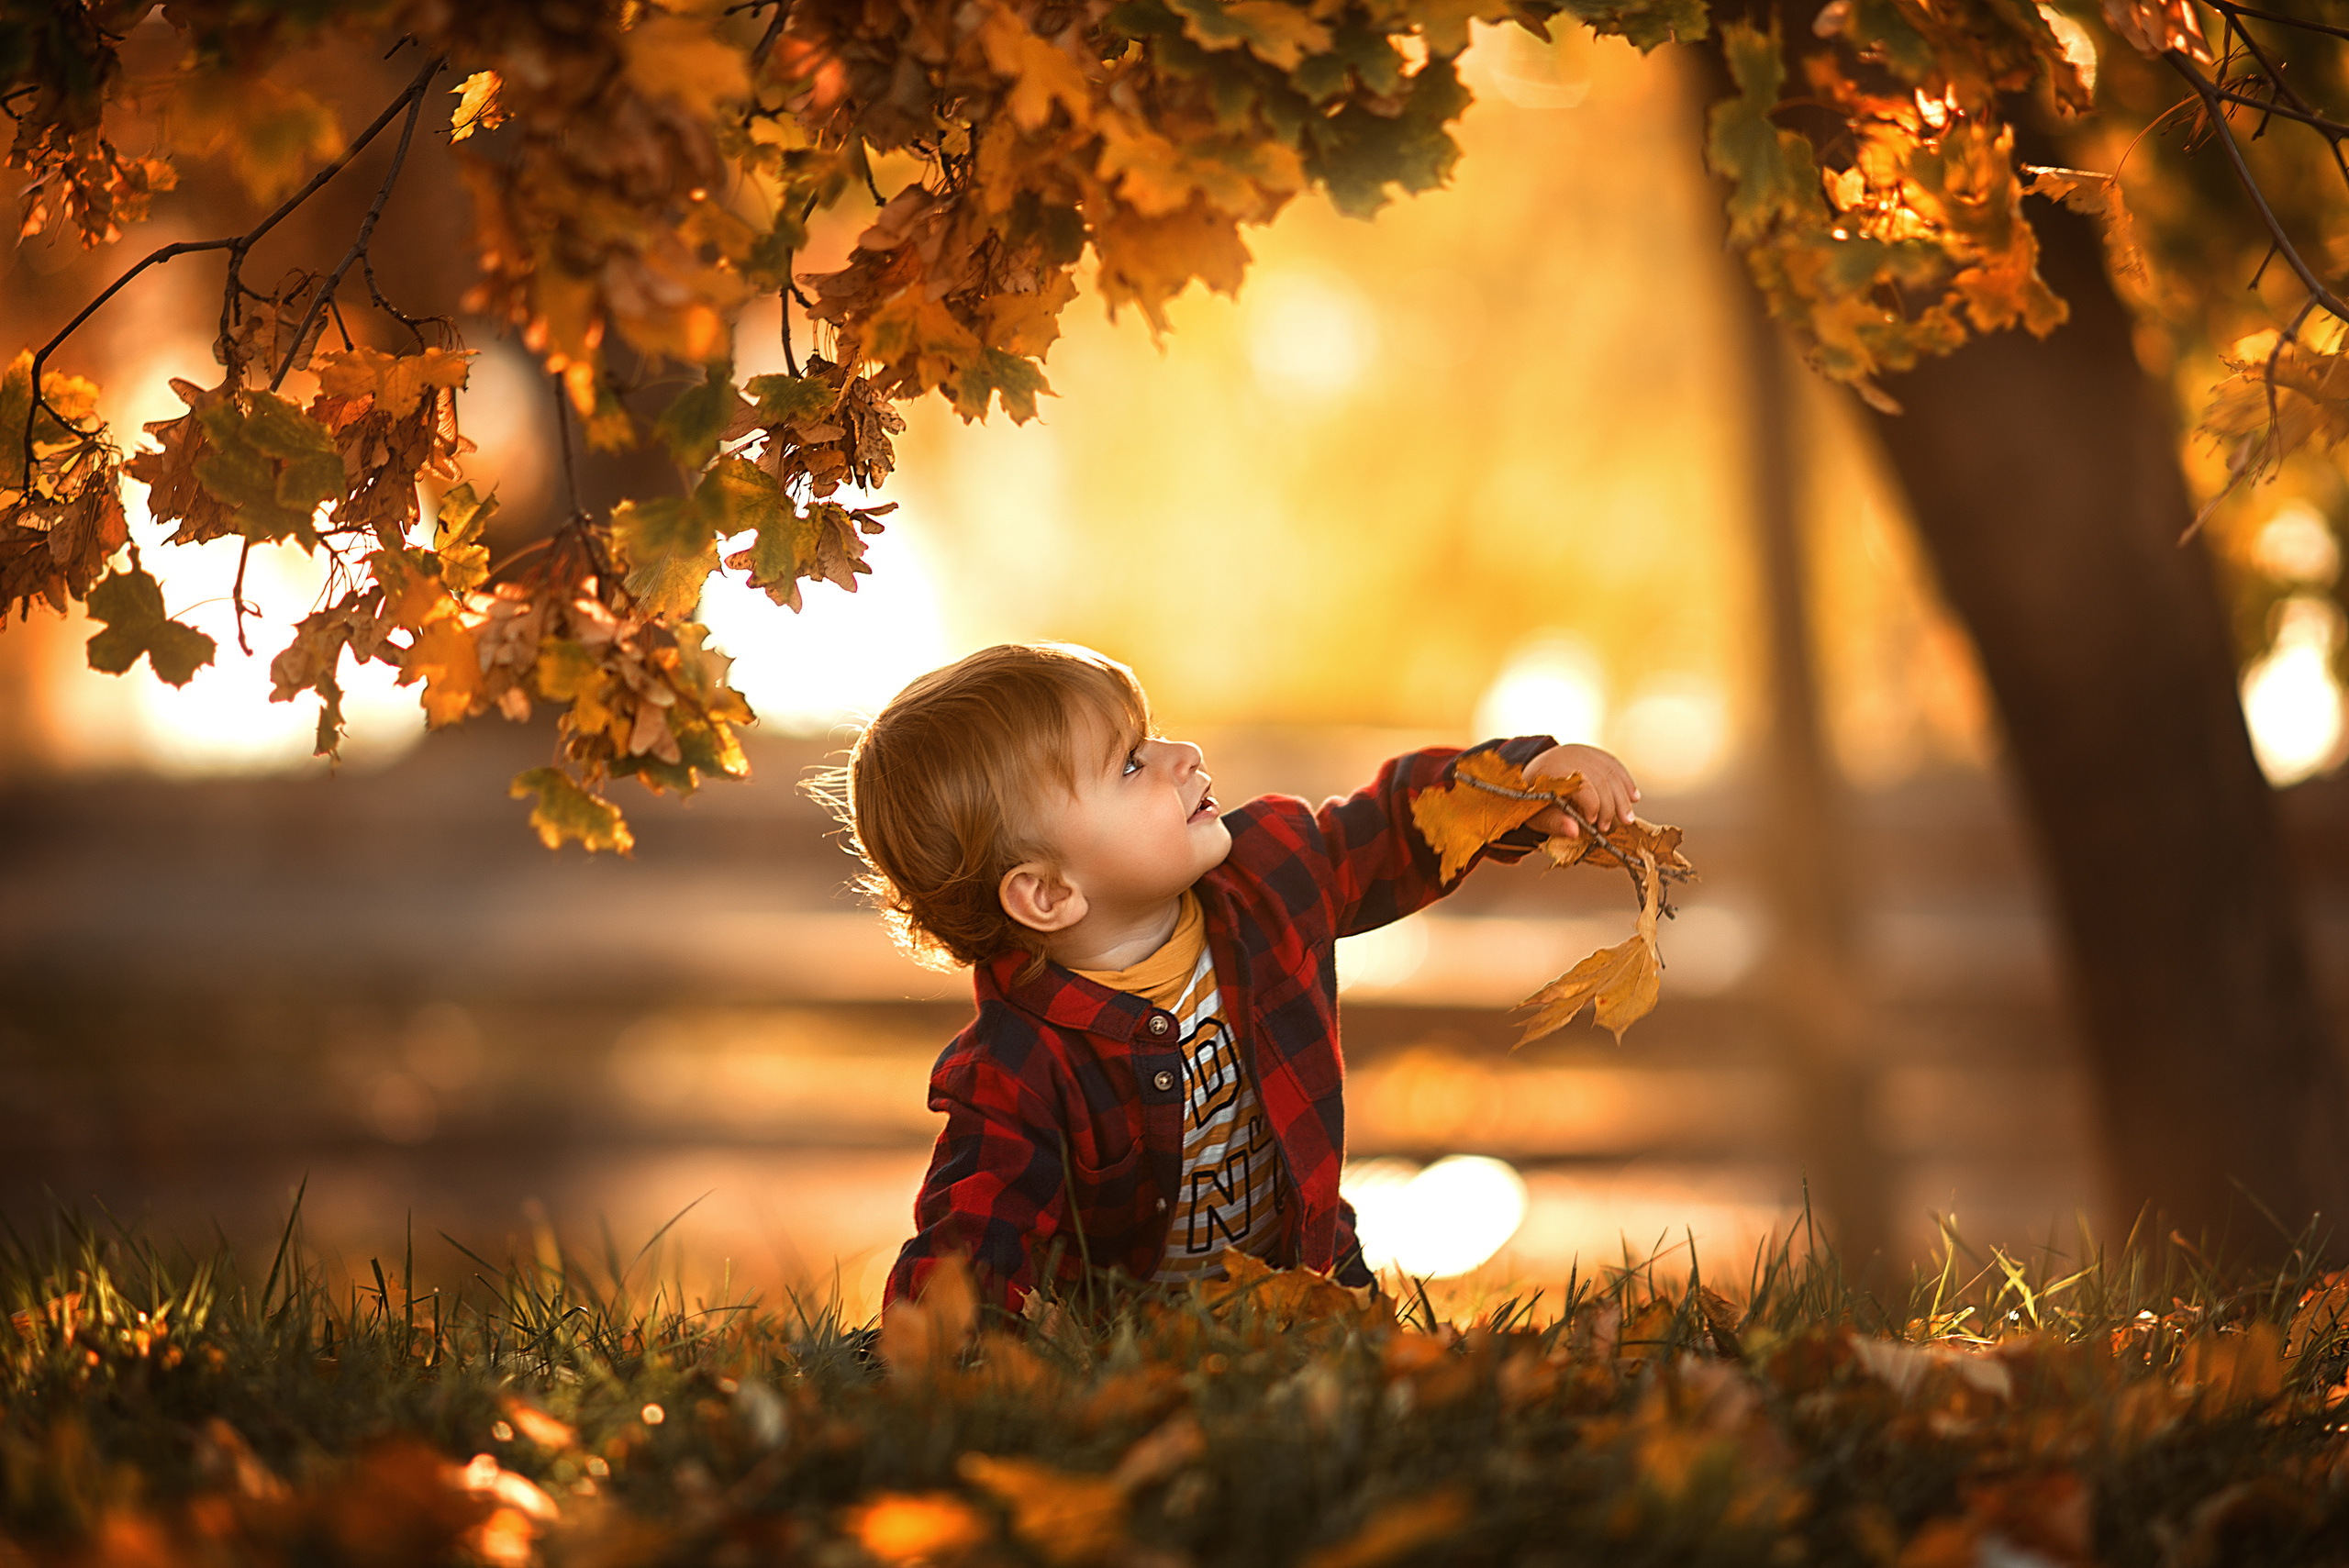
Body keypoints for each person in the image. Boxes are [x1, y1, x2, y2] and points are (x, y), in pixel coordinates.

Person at [841, 642, 1640, 1316]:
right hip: (1134, 1338)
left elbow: (1397, 828)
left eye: (1151, 738)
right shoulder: (1017, 1065)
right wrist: (938, 1347)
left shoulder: (1268, 877)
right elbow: (974, 1235)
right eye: (1129, 765)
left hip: (1312, 1279)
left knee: (1392, 1401)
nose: (1181, 756)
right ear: (1048, 893)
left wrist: (1519, 782)